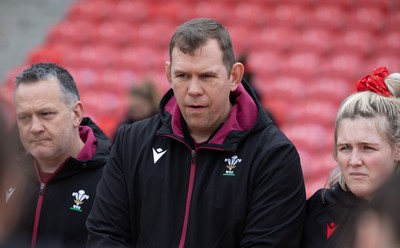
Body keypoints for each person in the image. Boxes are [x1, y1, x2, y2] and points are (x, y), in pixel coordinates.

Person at [86, 18, 306, 247]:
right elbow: (105, 234)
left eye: (206, 76)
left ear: (234, 76)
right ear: (169, 74)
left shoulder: (274, 156)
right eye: (183, 76)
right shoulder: (131, 142)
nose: (193, 90)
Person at [1, 62, 112, 248]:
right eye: (24, 117)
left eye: (46, 114)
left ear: (76, 113)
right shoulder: (10, 175)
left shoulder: (113, 177)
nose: (35, 128)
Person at [301, 66, 400, 248]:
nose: (354, 161)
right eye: (345, 148)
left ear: (397, 150)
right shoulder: (317, 209)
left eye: (367, 148)